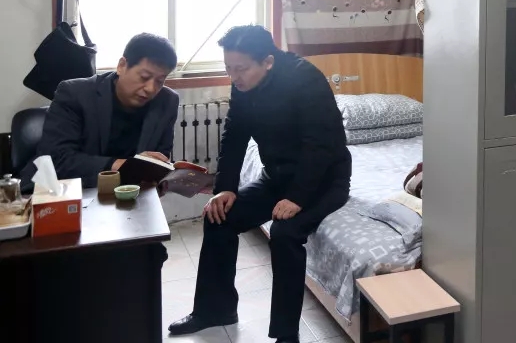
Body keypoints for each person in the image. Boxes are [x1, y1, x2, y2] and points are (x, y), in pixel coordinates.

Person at [169, 25, 350, 343]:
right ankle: (215, 310)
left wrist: (297, 197)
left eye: (240, 69)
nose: (234, 77)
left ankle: (286, 335)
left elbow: (320, 146)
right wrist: (226, 188)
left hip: (322, 180)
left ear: (267, 61)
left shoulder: (306, 79)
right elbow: (235, 134)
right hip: (276, 177)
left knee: (285, 233)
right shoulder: (243, 83)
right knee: (218, 217)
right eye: (228, 68)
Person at [19, 32, 179, 191]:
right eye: (144, 77)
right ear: (122, 66)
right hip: (69, 192)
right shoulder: (74, 94)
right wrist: (123, 166)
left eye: (160, 81)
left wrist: (161, 173)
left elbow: (160, 156)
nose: (151, 88)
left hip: (131, 193)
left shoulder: (167, 102)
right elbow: (57, 160)